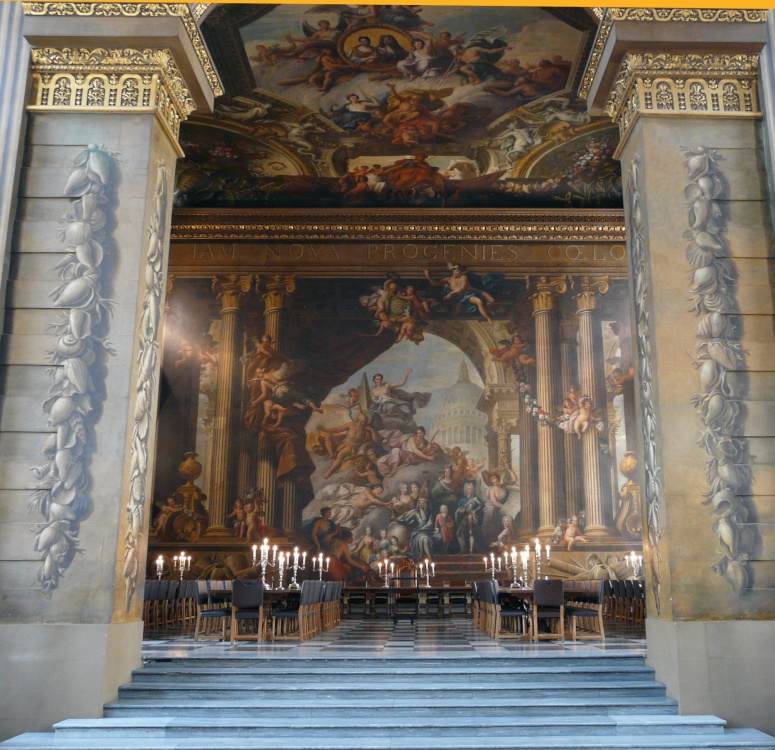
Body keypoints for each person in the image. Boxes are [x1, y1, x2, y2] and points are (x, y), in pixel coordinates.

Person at [424, 264, 496, 324]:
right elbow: (436, 284)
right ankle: (488, 318)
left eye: (460, 271)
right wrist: (428, 277)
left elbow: (462, 288)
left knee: (491, 300)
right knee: (479, 301)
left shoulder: (463, 277)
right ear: (453, 271)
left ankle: (488, 309)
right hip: (466, 296)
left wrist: (451, 293)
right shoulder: (448, 279)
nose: (459, 272)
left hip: (474, 291)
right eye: (457, 271)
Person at [318, 413, 380, 479]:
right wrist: (324, 429)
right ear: (358, 420)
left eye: (365, 422)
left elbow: (376, 441)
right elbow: (337, 429)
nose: (363, 424)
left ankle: (329, 471)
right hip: (343, 444)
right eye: (361, 421)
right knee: (328, 435)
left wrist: (371, 430)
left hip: (353, 447)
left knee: (341, 453)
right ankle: (331, 454)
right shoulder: (350, 424)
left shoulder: (366, 430)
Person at [455, 480, 484, 554]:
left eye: (471, 488)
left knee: (471, 533)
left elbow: (481, 506)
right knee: (459, 533)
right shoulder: (463, 500)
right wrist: (460, 511)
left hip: (472, 518)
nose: (470, 490)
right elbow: (459, 509)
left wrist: (475, 511)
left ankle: (471, 550)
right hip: (464, 518)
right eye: (468, 488)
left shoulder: (475, 499)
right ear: (466, 490)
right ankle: (462, 549)